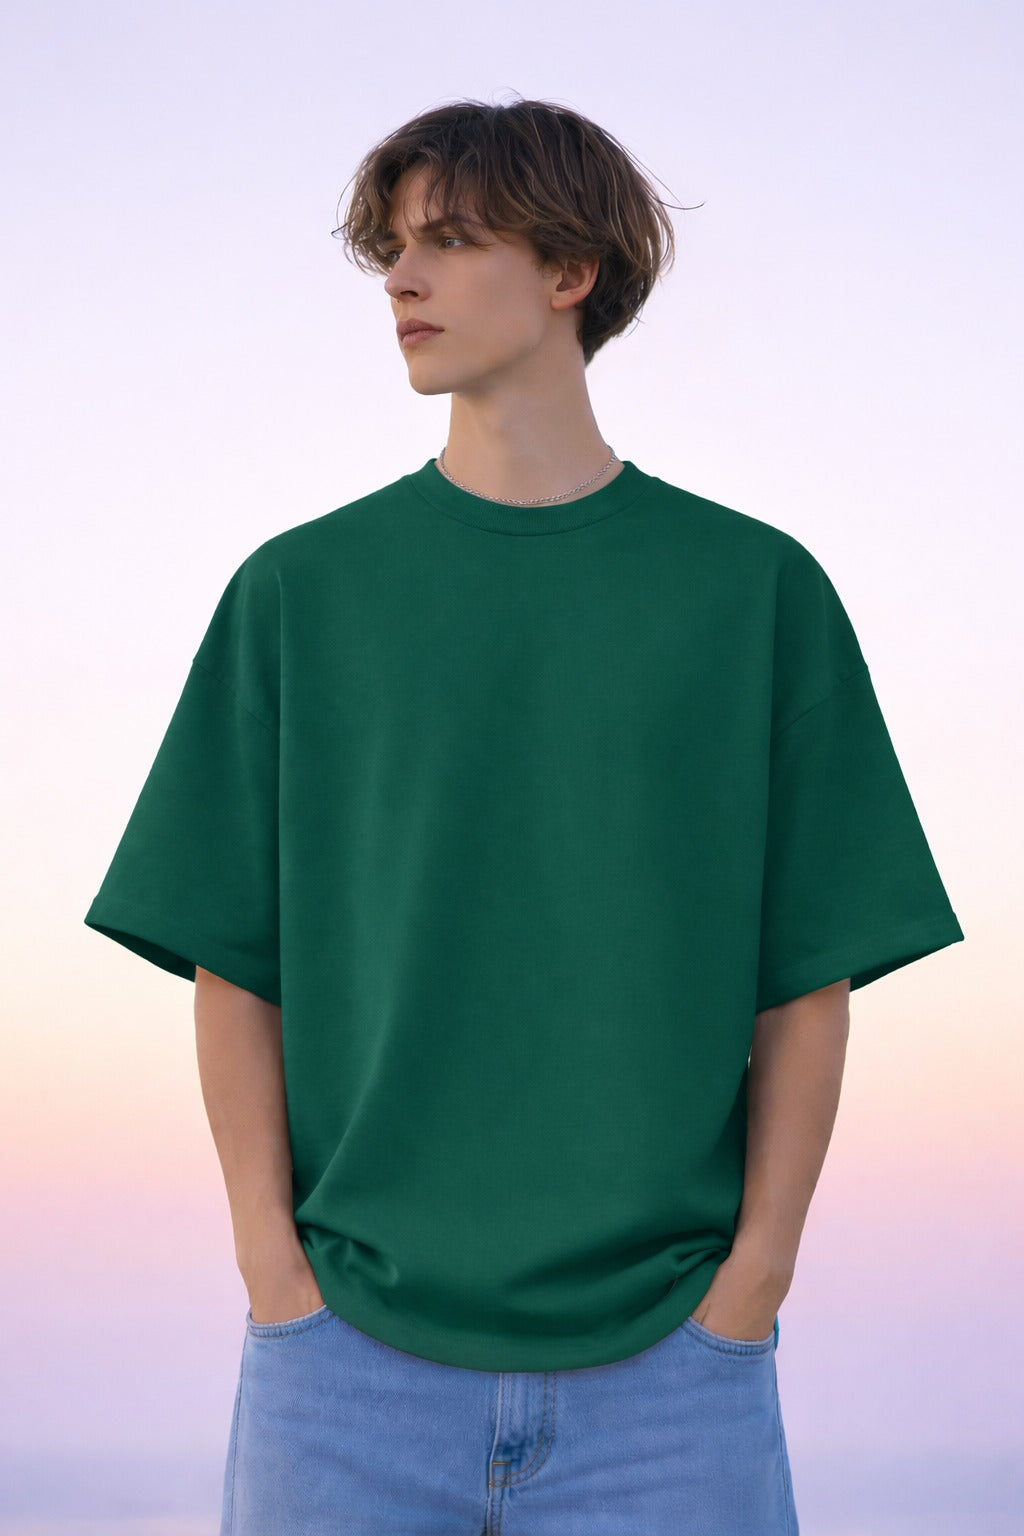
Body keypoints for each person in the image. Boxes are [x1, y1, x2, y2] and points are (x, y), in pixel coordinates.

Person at [83, 96, 964, 1536]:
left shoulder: (754, 593)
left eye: (448, 241)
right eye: (392, 248)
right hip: (342, 1371)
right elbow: (233, 963)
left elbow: (808, 980)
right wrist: (274, 1278)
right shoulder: (301, 593)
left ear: (570, 271)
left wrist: (754, 1286)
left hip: (672, 1378)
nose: (401, 279)